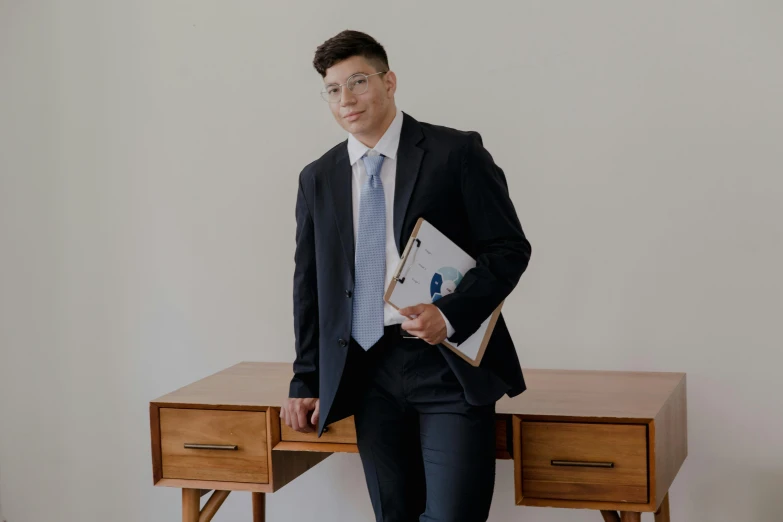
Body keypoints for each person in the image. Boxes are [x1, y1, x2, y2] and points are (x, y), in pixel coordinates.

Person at [280, 29, 532, 522]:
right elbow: (309, 286)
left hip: (447, 365)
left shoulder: (455, 153)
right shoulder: (319, 177)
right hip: (366, 368)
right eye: (333, 89)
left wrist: (449, 314)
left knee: (453, 516)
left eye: (357, 82)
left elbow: (508, 249)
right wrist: (304, 378)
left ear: (389, 81)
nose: (346, 99)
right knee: (394, 515)